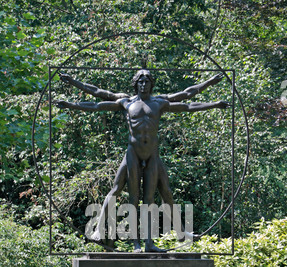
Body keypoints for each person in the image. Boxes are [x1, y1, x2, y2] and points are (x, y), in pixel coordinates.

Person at [56, 70, 230, 252]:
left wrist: (212, 95)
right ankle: (124, 239)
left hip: (152, 154)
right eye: (140, 81)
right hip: (133, 153)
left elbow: (187, 99)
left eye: (147, 81)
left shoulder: (160, 102)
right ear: (135, 84)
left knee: (151, 199)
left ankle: (150, 243)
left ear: (151, 84)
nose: (143, 84)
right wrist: (71, 99)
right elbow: (97, 99)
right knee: (128, 196)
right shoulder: (126, 101)